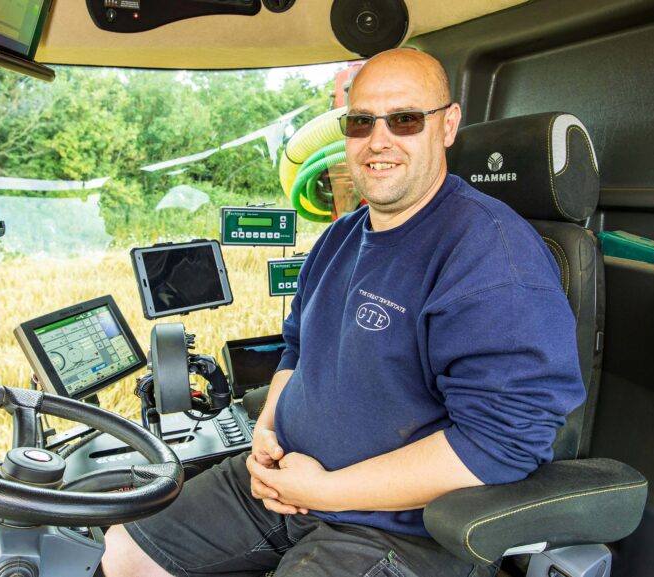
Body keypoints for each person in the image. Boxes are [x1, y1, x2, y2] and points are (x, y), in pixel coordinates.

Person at [102, 48, 585, 577]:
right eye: (360, 122)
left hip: (399, 529)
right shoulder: (339, 238)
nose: (379, 140)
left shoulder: (491, 258)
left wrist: (326, 490)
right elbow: (297, 349)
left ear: (447, 126)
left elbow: (504, 442)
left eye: (404, 119)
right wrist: (266, 435)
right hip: (282, 481)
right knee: (122, 550)